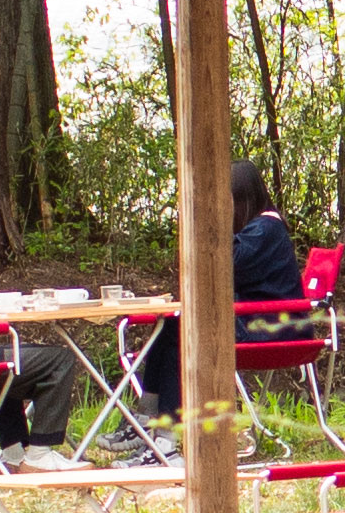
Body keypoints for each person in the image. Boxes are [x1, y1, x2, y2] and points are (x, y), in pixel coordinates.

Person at [132, 162, 311, 408]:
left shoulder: (266, 229)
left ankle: (166, 423)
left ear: (240, 200)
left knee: (181, 329)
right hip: (260, 320)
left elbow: (222, 266)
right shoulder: (260, 230)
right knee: (170, 324)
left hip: (271, 327)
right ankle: (146, 415)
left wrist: (212, 224)